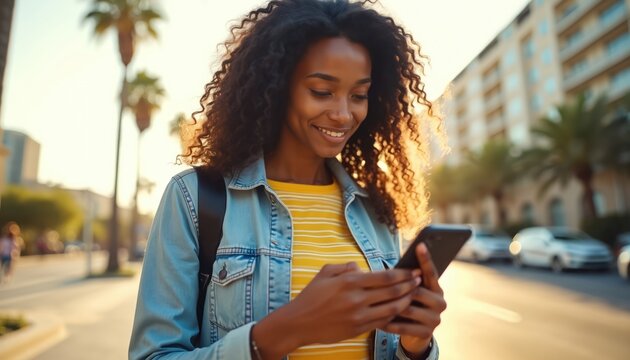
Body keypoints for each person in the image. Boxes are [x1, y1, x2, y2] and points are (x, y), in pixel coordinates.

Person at [130, 0, 446, 359]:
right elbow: (153, 355)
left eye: (359, 95)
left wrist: (416, 346)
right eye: (322, 92)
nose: (343, 114)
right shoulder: (196, 199)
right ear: (278, 86)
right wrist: (288, 329)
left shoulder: (376, 213)